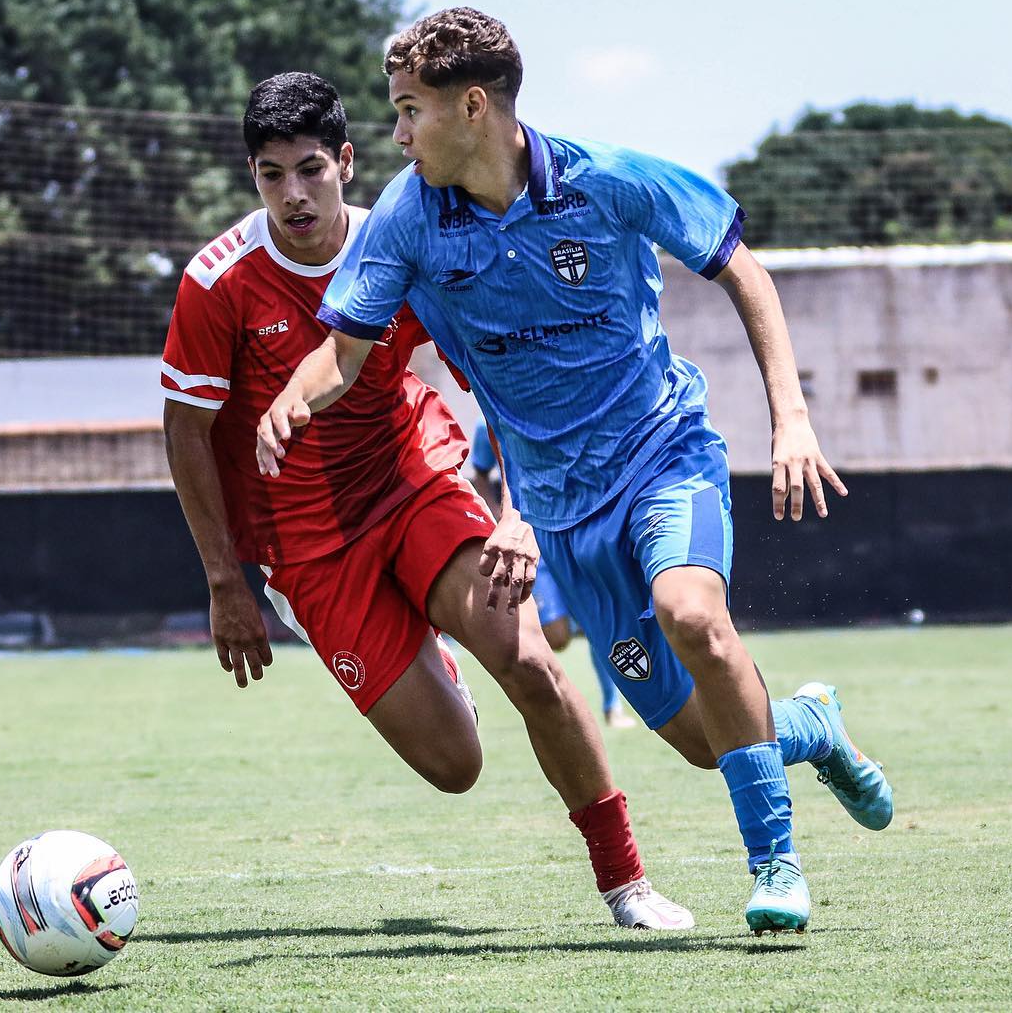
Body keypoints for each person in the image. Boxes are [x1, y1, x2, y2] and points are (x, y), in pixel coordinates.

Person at [255, 9, 894, 936]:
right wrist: (293, 397)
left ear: (473, 107)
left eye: (407, 110)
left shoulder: (609, 180)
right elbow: (344, 351)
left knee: (694, 618)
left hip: (665, 453)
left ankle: (776, 867)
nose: (395, 134)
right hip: (566, 515)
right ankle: (812, 726)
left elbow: (742, 271)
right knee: (701, 739)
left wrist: (790, 419)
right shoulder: (406, 217)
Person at [163, 72, 692, 929]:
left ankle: (625, 883)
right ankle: (433, 656)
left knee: (529, 663)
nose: (293, 194)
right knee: (456, 766)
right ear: (252, 178)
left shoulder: (406, 241)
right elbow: (186, 433)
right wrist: (227, 582)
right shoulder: (216, 281)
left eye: (310, 169)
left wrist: (519, 512)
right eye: (270, 175)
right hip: (307, 544)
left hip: (417, 479)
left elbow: (504, 381)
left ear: (344, 160)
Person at [467, 419, 635, 729]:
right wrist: (499, 517)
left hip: (573, 527)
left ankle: (613, 708)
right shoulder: (488, 423)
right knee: (557, 635)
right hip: (531, 540)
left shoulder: (560, 411)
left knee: (595, 618)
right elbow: (479, 473)